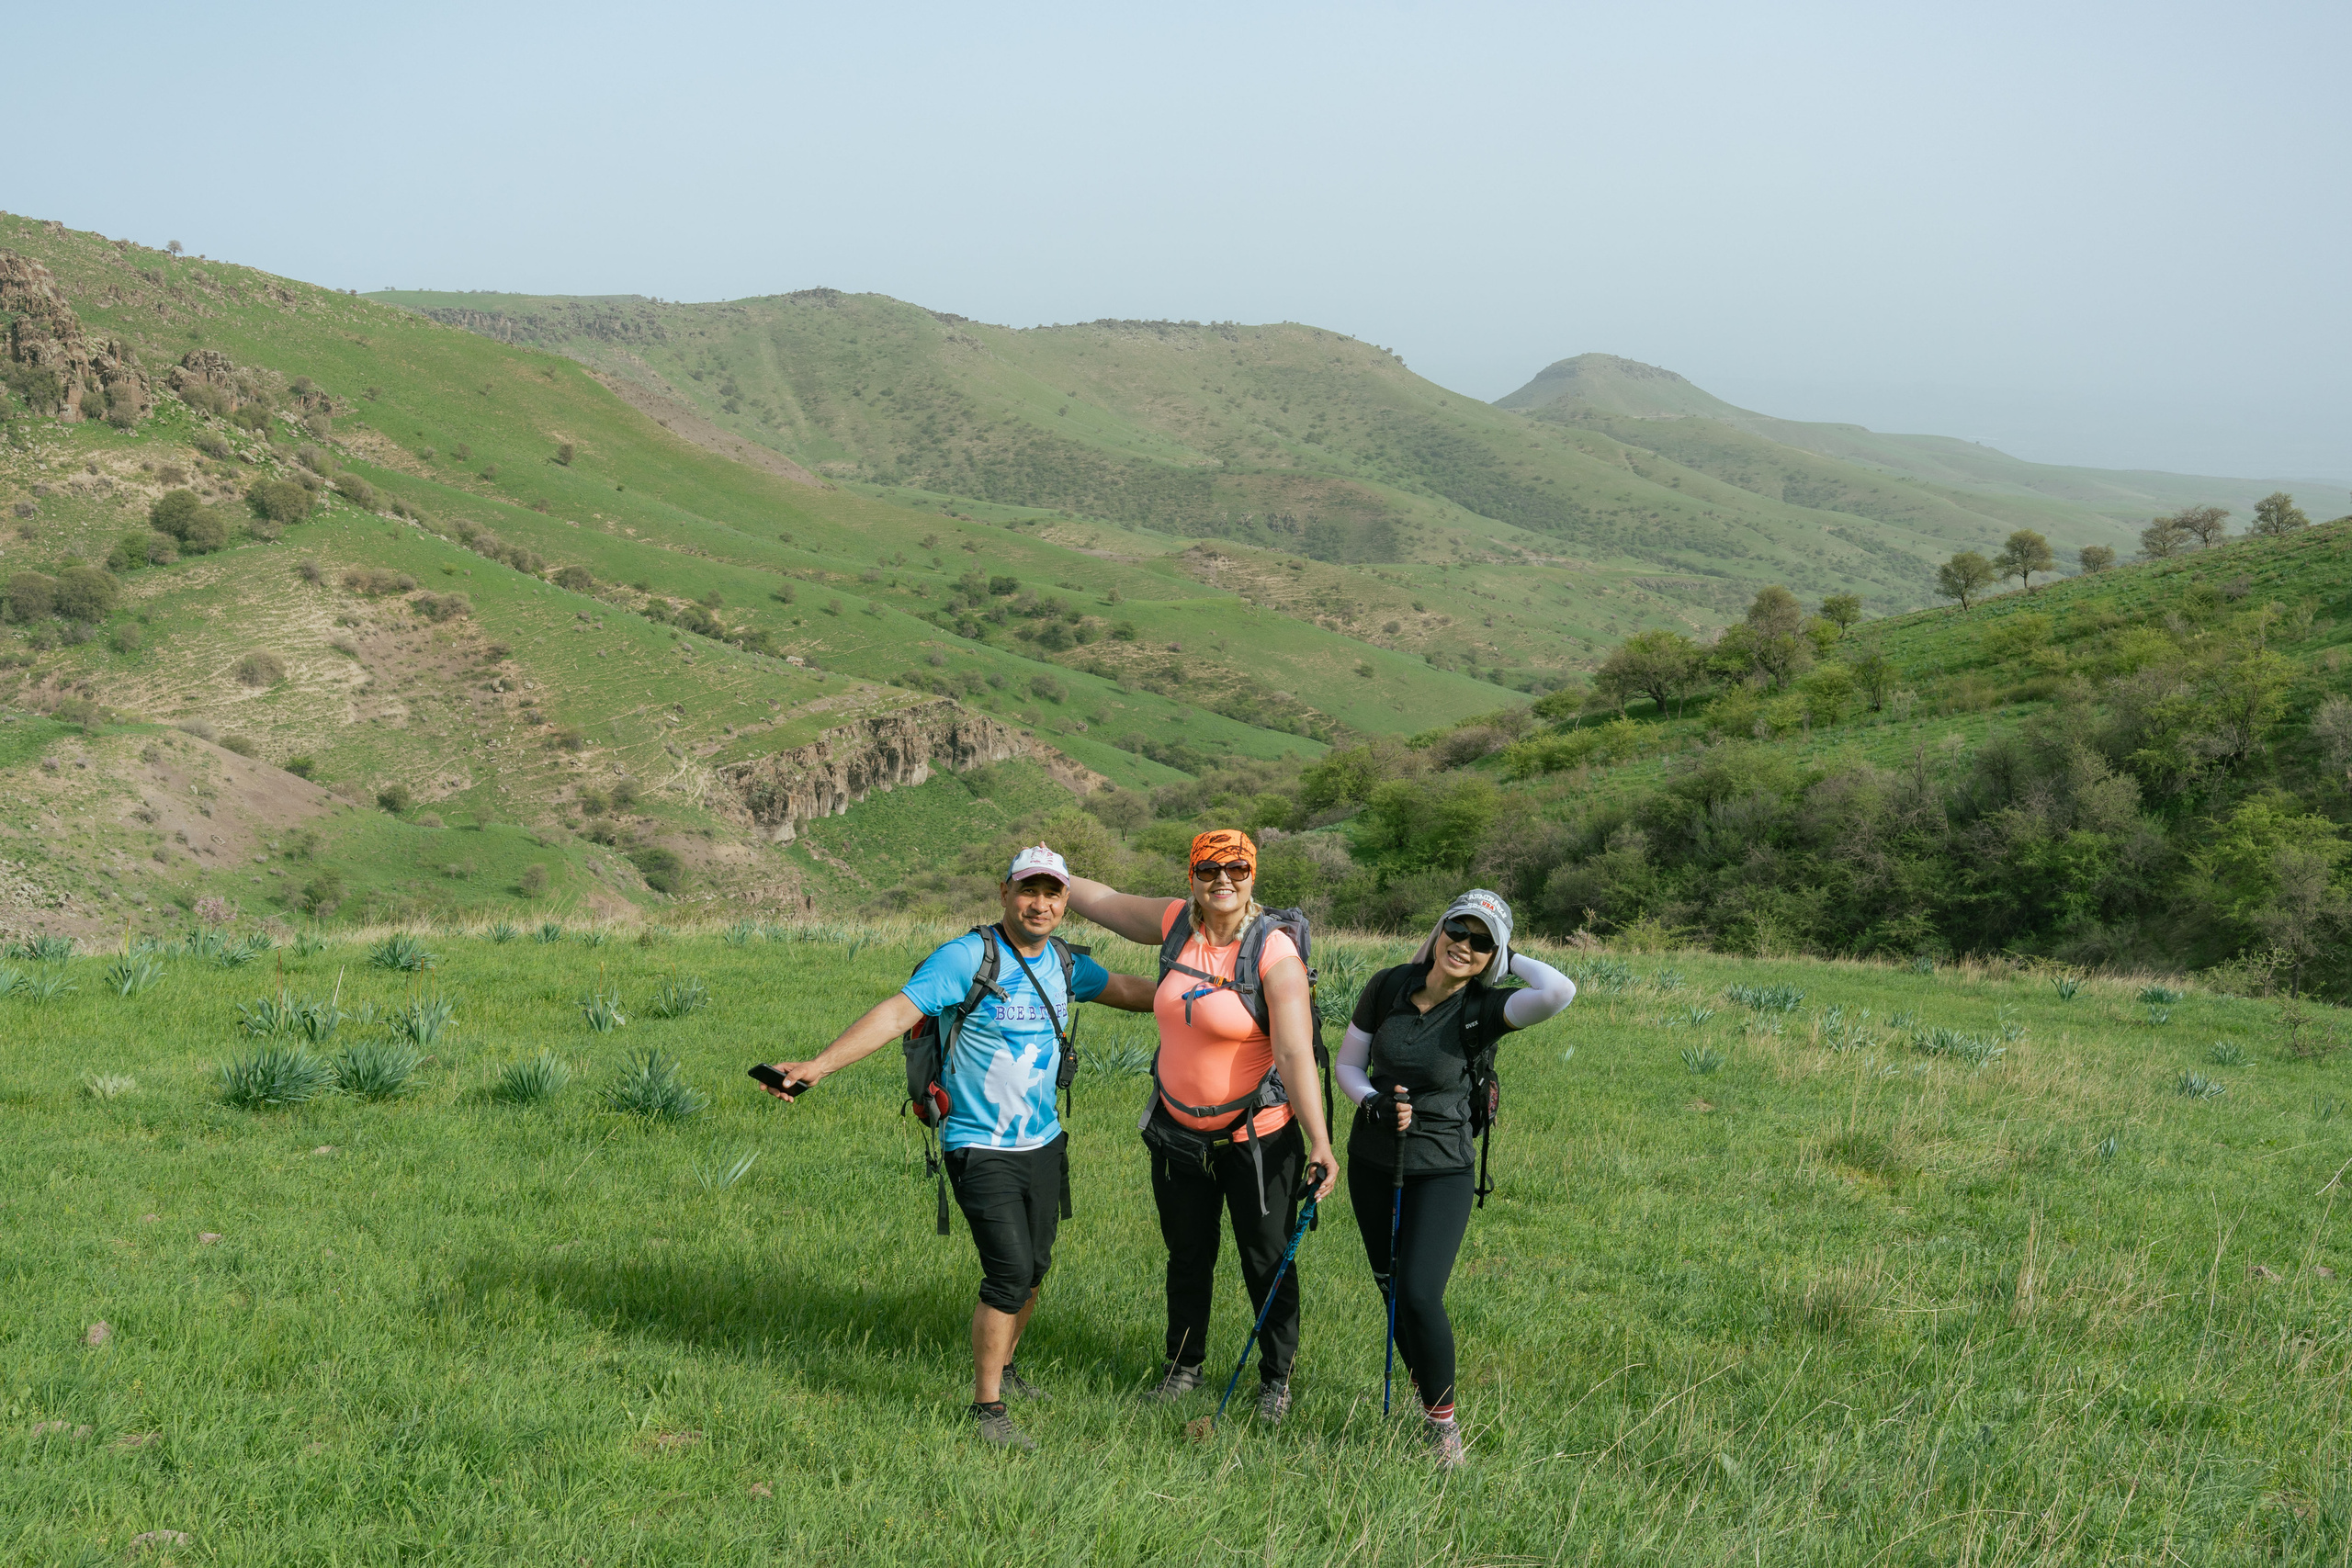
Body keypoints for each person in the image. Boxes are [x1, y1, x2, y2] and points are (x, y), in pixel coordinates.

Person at [763, 844, 1155, 1450]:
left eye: (1052, 893)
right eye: (1028, 890)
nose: (1040, 904)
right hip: (977, 1142)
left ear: (1066, 901)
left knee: (1036, 1267)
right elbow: (897, 1012)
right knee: (1009, 1272)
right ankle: (986, 1407)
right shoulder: (968, 957)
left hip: (1043, 1141)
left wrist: (1216, 996)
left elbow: (1127, 989)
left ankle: (1008, 1365)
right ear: (1005, 892)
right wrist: (819, 1065)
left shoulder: (1065, 963)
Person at [1062, 829, 1339, 1424]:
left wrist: (1319, 1140)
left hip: (1258, 1137)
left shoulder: (1273, 951)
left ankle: (1275, 1379)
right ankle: (1183, 1367)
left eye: (1236, 869)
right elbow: (1105, 901)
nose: (1223, 880)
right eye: (1209, 869)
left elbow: (1293, 1053)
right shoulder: (1176, 925)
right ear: (1192, 876)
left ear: (1252, 876)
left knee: (1266, 1259)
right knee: (1187, 1255)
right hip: (1176, 1134)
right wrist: (1050, 869)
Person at [1337, 889, 1574, 1465]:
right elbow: (1348, 1064)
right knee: (1392, 1289)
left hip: (1441, 1166)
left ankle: (1444, 1428)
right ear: (1439, 930)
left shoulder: (1486, 1009)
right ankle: (1426, 1400)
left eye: (1481, 941)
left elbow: (1559, 991)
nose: (1464, 945)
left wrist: (1507, 955)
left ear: (1494, 954)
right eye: (1458, 930)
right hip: (1372, 1159)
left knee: (1419, 1292)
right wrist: (1372, 1101)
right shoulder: (1389, 986)